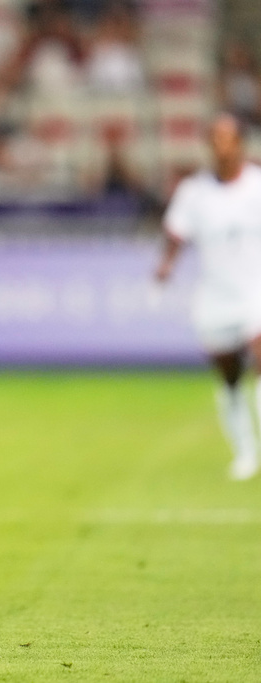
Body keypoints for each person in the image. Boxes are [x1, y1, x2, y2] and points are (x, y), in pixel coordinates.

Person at [155, 113, 261, 481]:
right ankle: (246, 453)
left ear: (240, 144)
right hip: (216, 298)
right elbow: (175, 233)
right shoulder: (194, 192)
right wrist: (166, 265)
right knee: (230, 378)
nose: (220, 145)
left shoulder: (257, 187)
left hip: (255, 292)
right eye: (214, 138)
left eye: (226, 138)